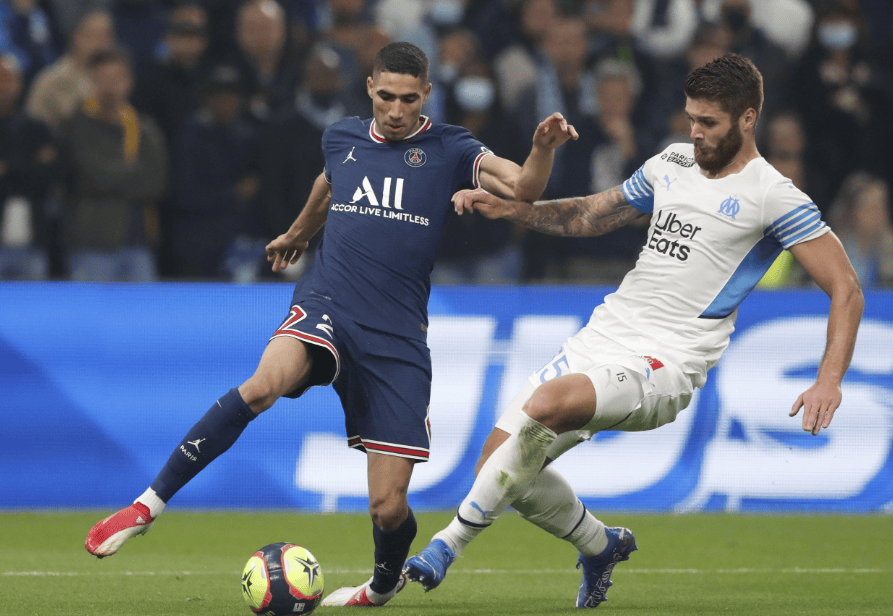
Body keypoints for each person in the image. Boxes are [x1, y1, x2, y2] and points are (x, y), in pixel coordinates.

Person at [84, 41, 578, 608]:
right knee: (262, 386)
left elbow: (524, 188)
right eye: (386, 96)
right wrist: (298, 234)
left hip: (395, 338)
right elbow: (328, 184)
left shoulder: (450, 147)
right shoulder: (342, 137)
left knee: (387, 509)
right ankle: (146, 505)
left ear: (427, 95)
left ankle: (383, 583)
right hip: (329, 304)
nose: (396, 110)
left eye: (409, 99)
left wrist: (541, 150)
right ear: (369, 88)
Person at [404, 53, 864, 609]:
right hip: (604, 335)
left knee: (546, 407)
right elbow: (591, 215)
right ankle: (601, 545)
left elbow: (846, 288)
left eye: (709, 122)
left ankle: (445, 545)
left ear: (748, 118)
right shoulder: (672, 161)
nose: (695, 133)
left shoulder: (773, 194)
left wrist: (828, 380)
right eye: (691, 118)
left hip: (667, 362)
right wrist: (513, 211)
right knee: (498, 469)